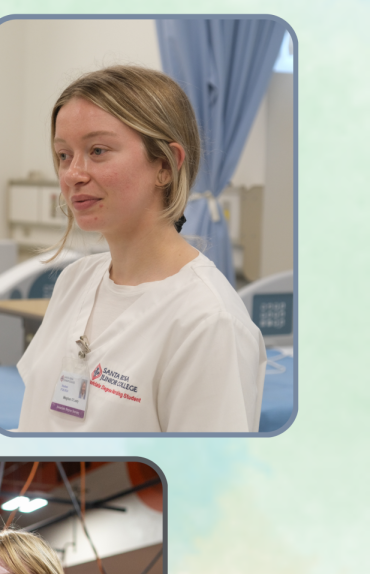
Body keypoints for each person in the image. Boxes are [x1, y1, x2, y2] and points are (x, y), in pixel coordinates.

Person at [15, 66, 265, 432]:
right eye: (64, 155)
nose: (73, 174)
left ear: (165, 165)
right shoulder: (75, 280)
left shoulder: (208, 321)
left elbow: (208, 479)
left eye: (97, 151)